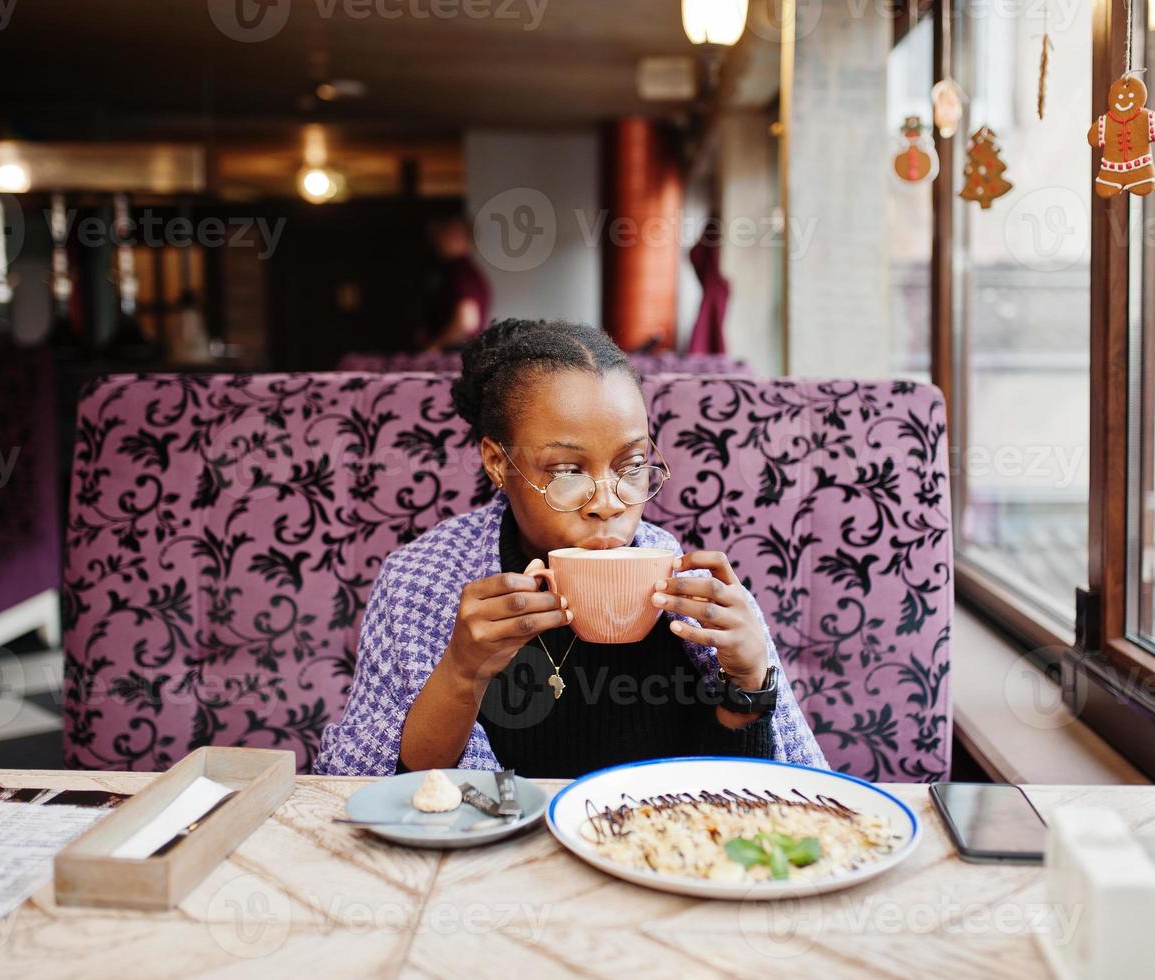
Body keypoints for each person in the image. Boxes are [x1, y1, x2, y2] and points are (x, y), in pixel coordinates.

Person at [314, 319, 826, 778]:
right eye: (567, 471)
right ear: (497, 463)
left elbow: (745, 801)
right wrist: (462, 671)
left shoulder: (695, 598)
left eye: (630, 465)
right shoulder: (421, 581)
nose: (607, 504)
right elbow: (375, 789)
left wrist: (750, 679)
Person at [418, 214, 491, 352]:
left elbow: (466, 321)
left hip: (454, 355)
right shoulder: (462, 270)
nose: (436, 239)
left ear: (456, 234)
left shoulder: (461, 272)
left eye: (443, 231)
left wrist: (435, 347)